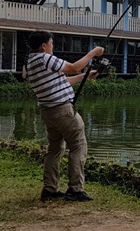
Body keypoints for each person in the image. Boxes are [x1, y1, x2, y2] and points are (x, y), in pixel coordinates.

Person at [25, 30, 104, 202]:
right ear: (44, 45)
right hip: (63, 111)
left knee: (55, 149)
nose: (52, 46)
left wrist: (85, 76)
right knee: (78, 145)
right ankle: (75, 190)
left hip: (48, 112)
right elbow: (74, 66)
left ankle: (50, 189)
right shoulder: (45, 58)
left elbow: (63, 81)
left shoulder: (31, 62)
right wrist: (93, 53)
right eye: (51, 43)